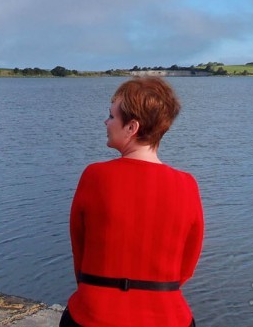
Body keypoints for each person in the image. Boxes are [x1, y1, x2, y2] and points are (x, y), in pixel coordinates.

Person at [61, 77, 203, 327]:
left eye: (112, 116)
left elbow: (79, 250)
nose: (106, 122)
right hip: (169, 318)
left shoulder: (95, 175)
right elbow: (187, 266)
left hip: (94, 314)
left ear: (131, 127)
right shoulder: (187, 184)